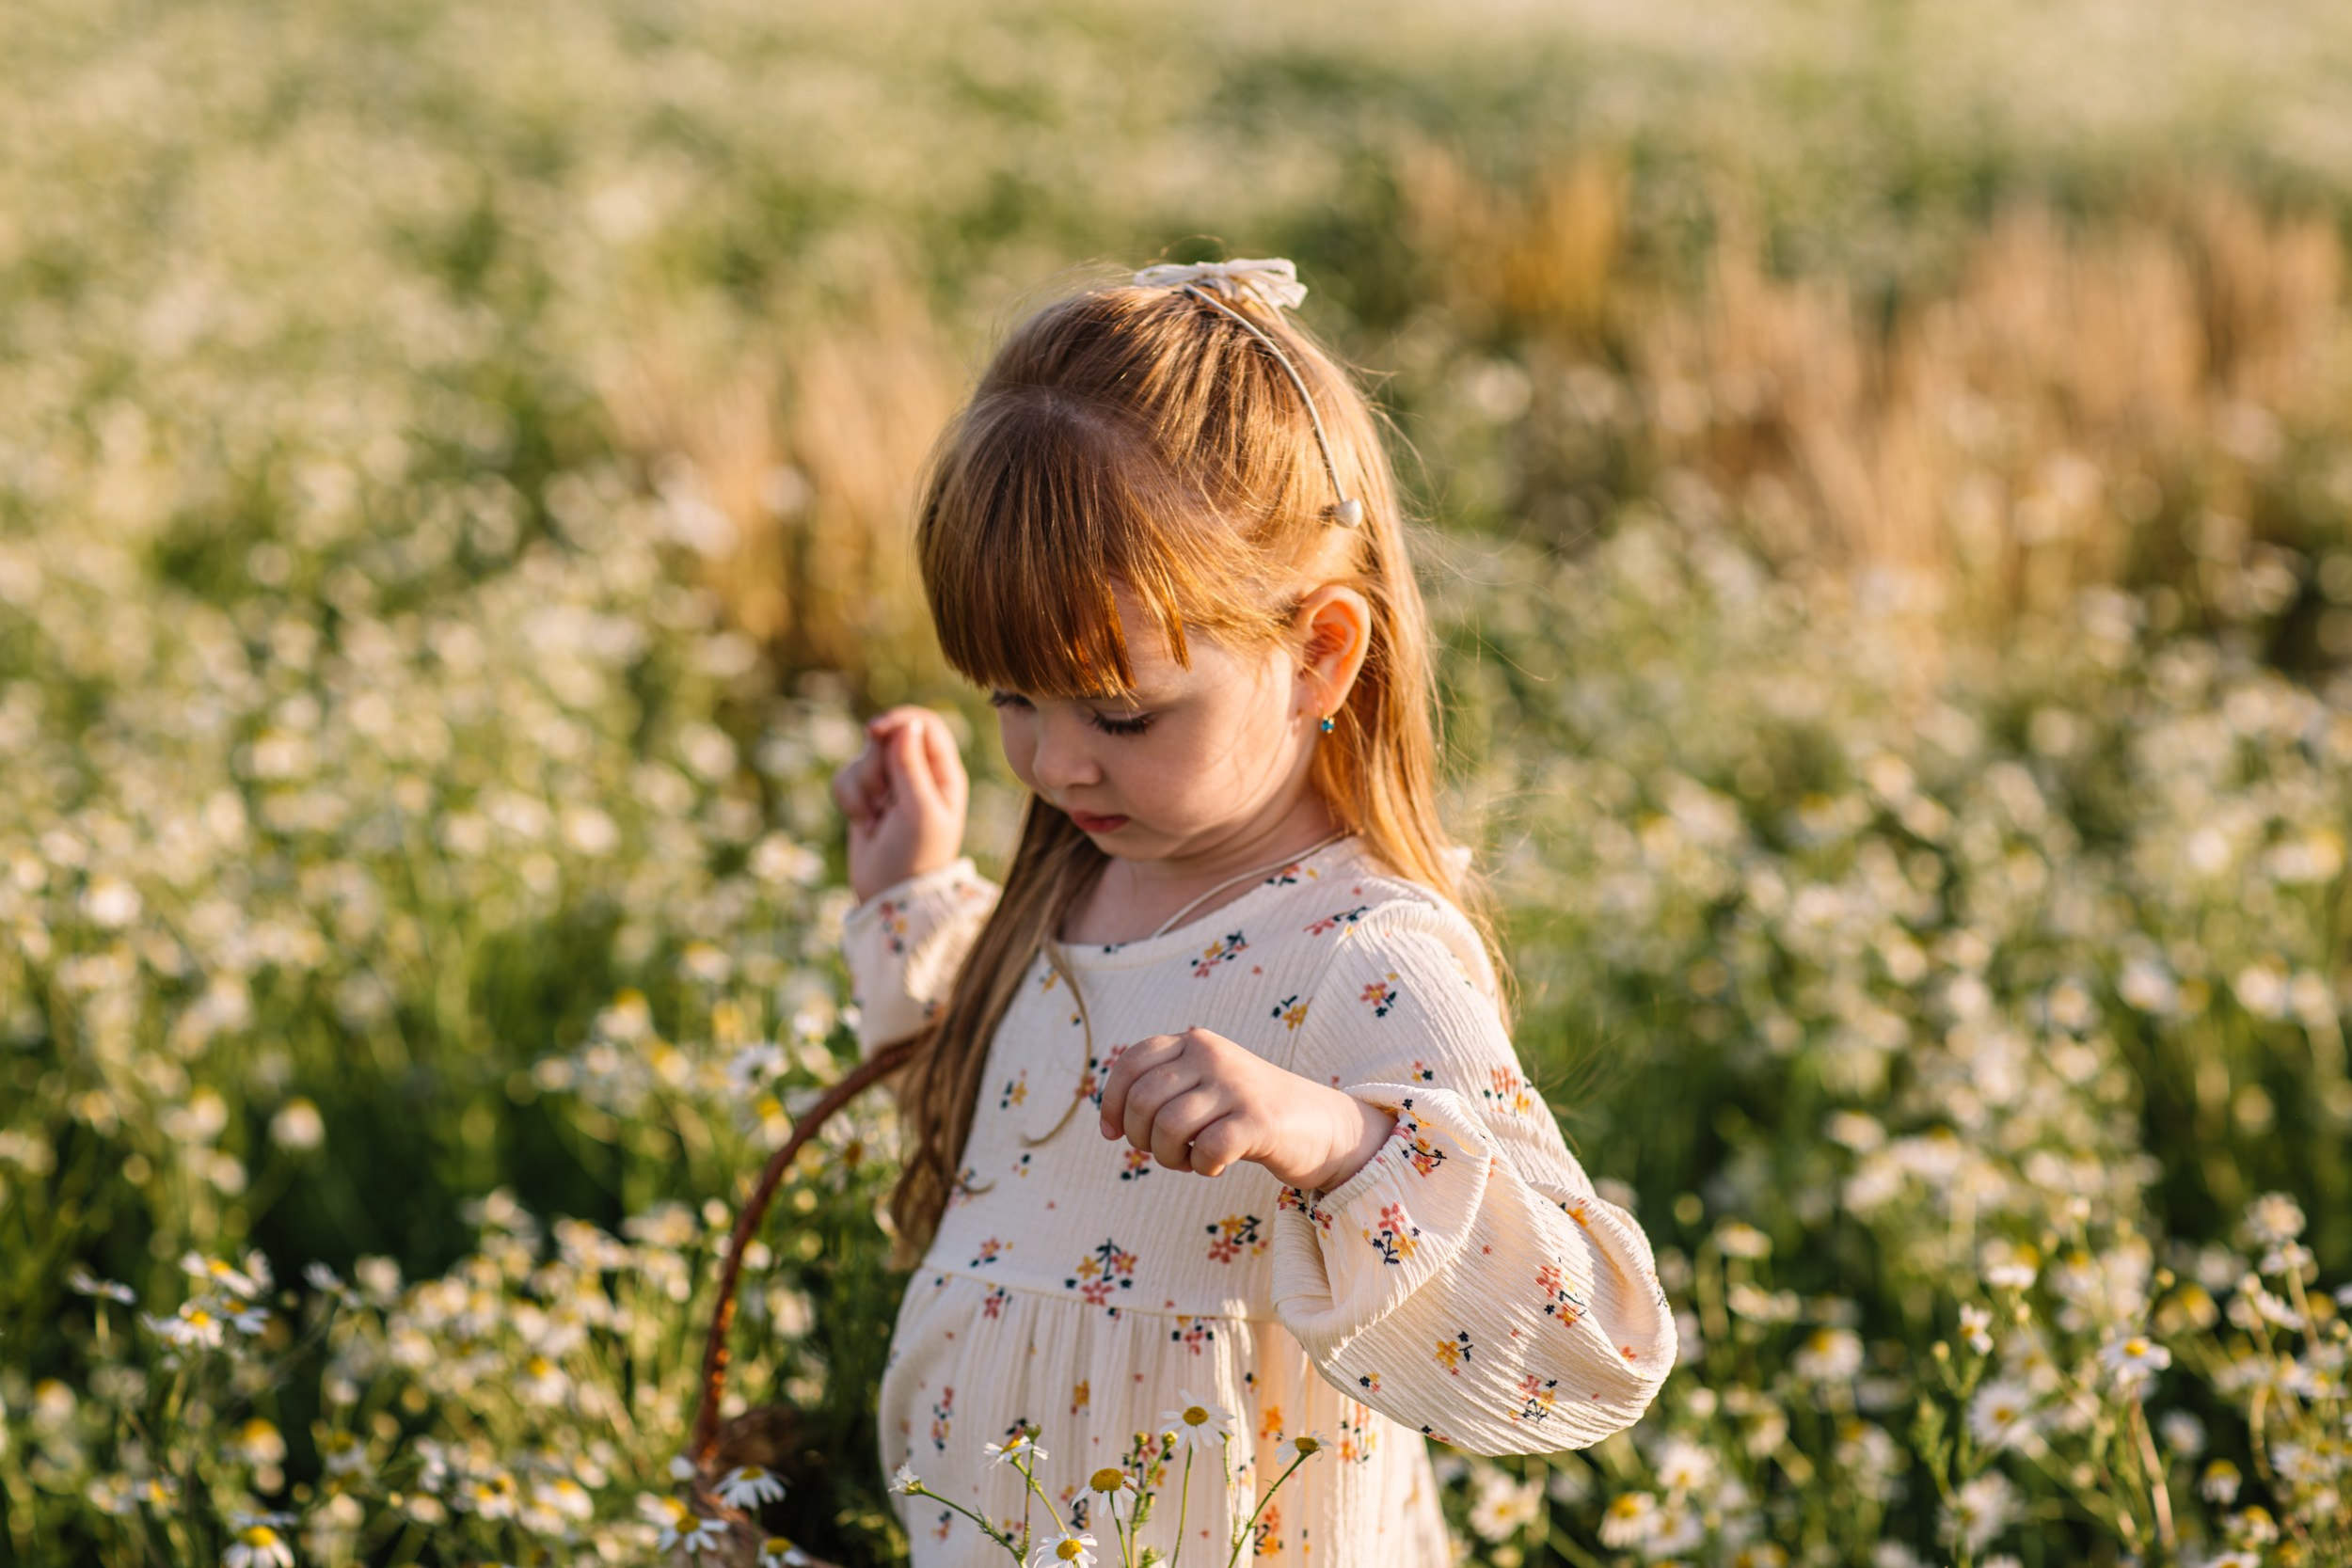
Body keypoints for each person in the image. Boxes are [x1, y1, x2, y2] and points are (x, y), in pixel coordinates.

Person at [829, 257, 1674, 1565]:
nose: (1053, 767)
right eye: (1009, 700)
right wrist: (909, 899)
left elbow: (1590, 1350)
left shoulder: (1361, 954)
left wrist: (1336, 1141)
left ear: (1321, 654)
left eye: (1119, 713)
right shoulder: (1071, 880)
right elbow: (997, 1144)